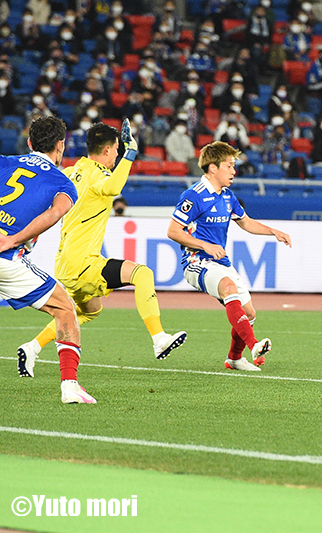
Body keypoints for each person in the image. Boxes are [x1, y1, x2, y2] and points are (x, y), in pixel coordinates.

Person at [19, 120, 187, 375]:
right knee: (142, 274)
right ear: (108, 150)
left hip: (65, 263)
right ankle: (159, 338)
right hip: (84, 262)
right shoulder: (98, 174)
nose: (117, 155)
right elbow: (113, 187)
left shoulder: (72, 171)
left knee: (88, 311)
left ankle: (32, 347)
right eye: (117, 150)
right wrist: (131, 154)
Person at [166, 141, 292, 371]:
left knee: (249, 313)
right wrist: (204, 245)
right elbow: (173, 231)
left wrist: (274, 231)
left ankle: (234, 358)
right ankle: (254, 345)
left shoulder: (227, 196)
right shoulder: (194, 195)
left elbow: (246, 222)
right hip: (196, 261)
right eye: (229, 166)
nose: (234, 171)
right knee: (228, 287)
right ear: (213, 168)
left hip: (220, 262)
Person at [0, 116, 95, 403]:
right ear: (60, 145)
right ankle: (70, 386)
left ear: (29, 143)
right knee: (65, 309)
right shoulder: (62, 183)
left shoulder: (5, 162)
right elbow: (56, 212)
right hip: (6, 258)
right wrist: (14, 239)